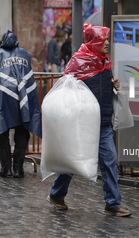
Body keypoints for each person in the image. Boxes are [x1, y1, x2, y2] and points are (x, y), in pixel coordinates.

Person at [47, 23, 132, 217]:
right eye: (104, 39)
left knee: (110, 162)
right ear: (94, 41)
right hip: (82, 123)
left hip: (103, 123)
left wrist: (114, 84)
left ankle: (112, 203)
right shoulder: (78, 62)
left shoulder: (105, 61)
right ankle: (56, 194)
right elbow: (65, 89)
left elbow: (102, 86)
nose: (107, 43)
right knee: (73, 161)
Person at [0, 30, 42, 178]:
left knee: (2, 132)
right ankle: (18, 169)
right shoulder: (25, 54)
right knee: (22, 131)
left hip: (5, 96)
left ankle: (6, 168)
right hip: (24, 96)